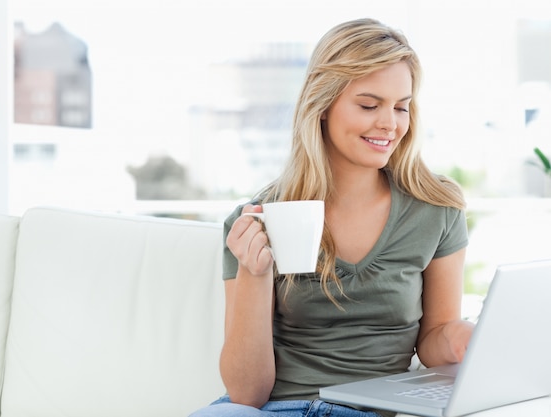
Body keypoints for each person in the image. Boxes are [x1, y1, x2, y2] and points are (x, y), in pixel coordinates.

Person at [189, 17, 474, 417]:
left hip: (365, 411)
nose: (389, 124)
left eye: (401, 107)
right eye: (369, 105)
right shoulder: (257, 220)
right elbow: (246, 393)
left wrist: (465, 338)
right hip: (273, 409)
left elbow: (433, 343)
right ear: (323, 105)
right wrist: (254, 274)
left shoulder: (436, 210)